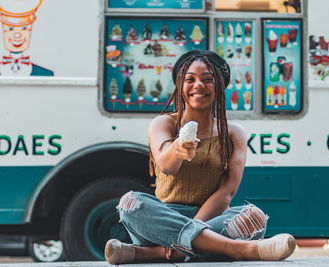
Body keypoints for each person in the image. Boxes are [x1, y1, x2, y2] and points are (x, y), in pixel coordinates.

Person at [104, 49, 296, 264]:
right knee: (131, 203)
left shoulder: (233, 133)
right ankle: (238, 249)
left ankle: (153, 254)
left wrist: (192, 229)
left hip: (211, 219)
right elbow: (166, 166)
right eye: (190, 79)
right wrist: (178, 149)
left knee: (254, 216)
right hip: (163, 219)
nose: (199, 85)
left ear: (220, 87)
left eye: (208, 79)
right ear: (179, 85)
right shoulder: (163, 123)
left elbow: (226, 192)